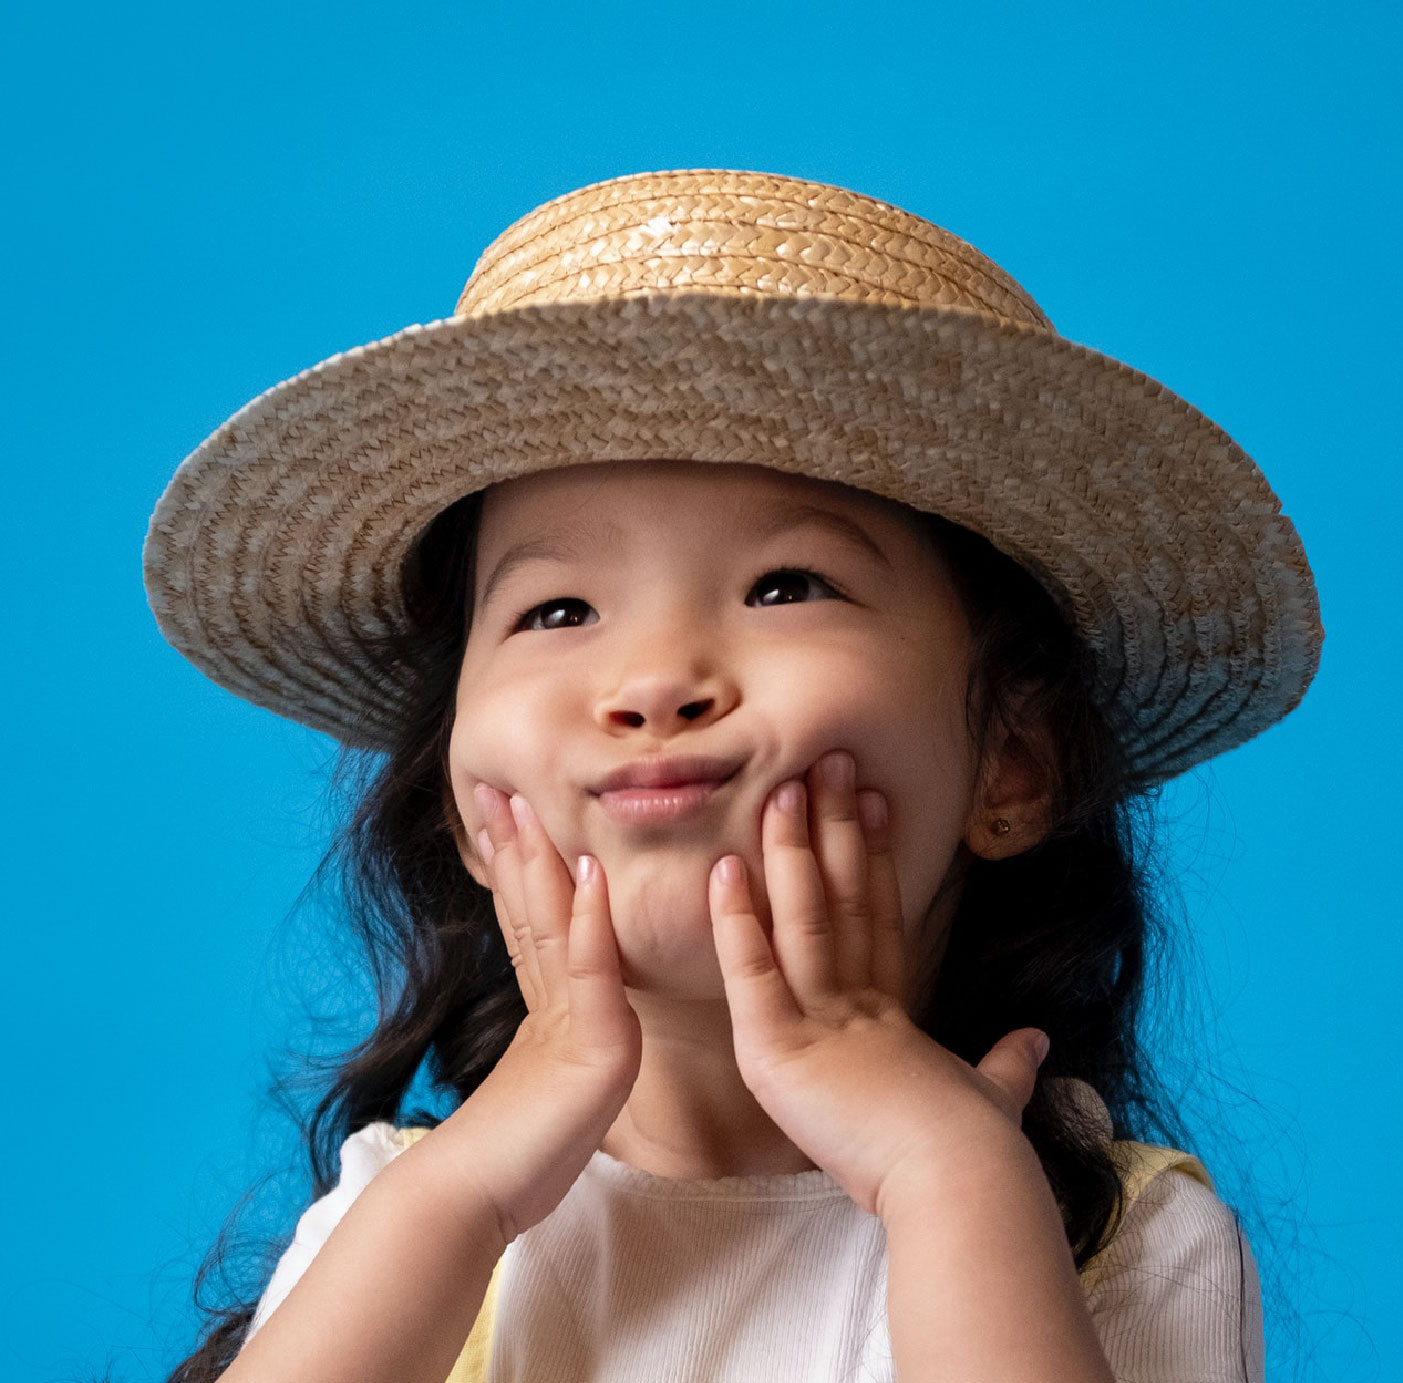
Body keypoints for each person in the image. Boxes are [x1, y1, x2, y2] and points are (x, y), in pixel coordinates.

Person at [143, 170, 1321, 1382]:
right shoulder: (406, 1215)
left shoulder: (1119, 1238)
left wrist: (945, 1174)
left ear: (1012, 763)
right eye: (557, 608)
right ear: (469, 813)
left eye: (784, 587)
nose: (653, 682)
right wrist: (464, 1195)